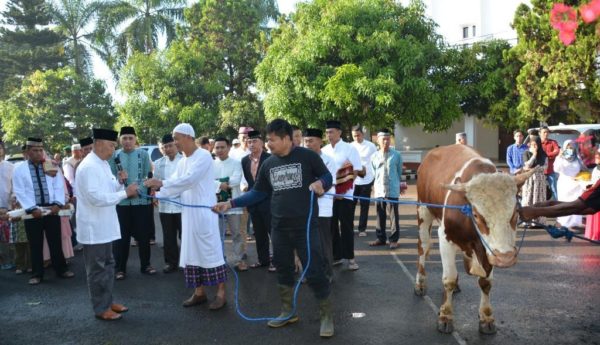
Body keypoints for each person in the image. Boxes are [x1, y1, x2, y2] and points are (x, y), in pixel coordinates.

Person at [213, 119, 334, 337]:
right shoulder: (269, 164)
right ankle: (288, 311)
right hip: (279, 227)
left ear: (287, 138)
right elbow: (257, 192)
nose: (268, 144)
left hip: (305, 227)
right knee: (283, 268)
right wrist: (230, 203)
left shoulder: (308, 157)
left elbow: (327, 176)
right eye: (267, 140)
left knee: (314, 269)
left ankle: (326, 316)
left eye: (272, 140)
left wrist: (321, 184)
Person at [144, 123, 228, 311]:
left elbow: (189, 180)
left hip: (205, 212)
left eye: (177, 138)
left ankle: (221, 293)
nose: (175, 142)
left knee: (210, 251)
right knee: (191, 251)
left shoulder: (204, 156)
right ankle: (199, 292)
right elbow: (175, 183)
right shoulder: (183, 161)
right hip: (189, 214)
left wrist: (161, 183)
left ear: (189, 137)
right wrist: (157, 193)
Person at [76, 128, 138, 321]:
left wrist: (120, 184)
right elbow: (95, 198)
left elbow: (110, 189)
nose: (113, 150)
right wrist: (125, 193)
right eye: (112, 145)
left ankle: (108, 301)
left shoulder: (102, 164)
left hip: (105, 226)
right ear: (99, 143)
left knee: (109, 265)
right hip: (94, 228)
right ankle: (100, 308)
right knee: (97, 270)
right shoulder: (88, 167)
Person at [12, 137, 75, 285]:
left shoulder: (51, 165)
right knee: (35, 243)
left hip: (51, 208)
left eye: (41, 150)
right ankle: (37, 274)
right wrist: (32, 209)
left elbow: (59, 186)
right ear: (27, 152)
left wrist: (58, 204)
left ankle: (61, 269)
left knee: (55, 241)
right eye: (35, 150)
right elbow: (20, 191)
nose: (39, 153)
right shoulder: (19, 169)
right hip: (32, 211)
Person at [109, 127, 155, 279]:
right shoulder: (114, 156)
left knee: (143, 235)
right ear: (120, 140)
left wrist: (136, 190)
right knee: (121, 237)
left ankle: (146, 265)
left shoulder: (142, 154)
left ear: (135, 139)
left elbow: (147, 176)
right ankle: (120, 269)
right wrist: (122, 187)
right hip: (121, 203)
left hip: (140, 201)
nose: (127, 141)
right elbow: (110, 178)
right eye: (124, 138)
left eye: (130, 138)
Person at [322, 120, 362, 271]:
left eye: (331, 132)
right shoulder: (324, 150)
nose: (328, 135)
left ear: (339, 132)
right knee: (331, 226)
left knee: (346, 226)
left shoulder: (349, 149)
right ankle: (336, 256)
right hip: (328, 196)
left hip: (345, 195)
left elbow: (356, 170)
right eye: (327, 133)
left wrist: (342, 191)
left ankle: (351, 258)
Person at [303, 128, 336, 280]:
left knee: (323, 242)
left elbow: (328, 181)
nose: (307, 144)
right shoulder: (301, 159)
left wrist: (318, 186)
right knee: (307, 242)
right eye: (305, 141)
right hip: (305, 207)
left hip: (322, 207)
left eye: (311, 141)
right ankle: (309, 272)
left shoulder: (329, 159)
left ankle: (327, 273)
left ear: (320, 142)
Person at [213, 137, 247, 271]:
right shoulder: (211, 164)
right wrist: (220, 184)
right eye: (217, 147)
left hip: (233, 204)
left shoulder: (236, 163)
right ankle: (220, 260)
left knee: (237, 233)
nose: (220, 150)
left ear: (228, 148)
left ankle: (239, 260)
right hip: (216, 205)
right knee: (217, 234)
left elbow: (236, 180)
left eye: (222, 147)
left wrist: (218, 183)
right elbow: (208, 181)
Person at [241, 130, 274, 271]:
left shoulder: (270, 158)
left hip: (269, 201)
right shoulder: (244, 160)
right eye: (249, 141)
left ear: (262, 143)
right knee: (259, 234)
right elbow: (248, 181)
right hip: (253, 202)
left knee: (274, 233)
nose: (251, 144)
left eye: (254, 141)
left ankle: (278, 261)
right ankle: (263, 260)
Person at [369, 129, 404, 249]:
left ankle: (394, 240)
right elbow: (374, 173)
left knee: (394, 216)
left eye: (388, 138)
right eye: (383, 139)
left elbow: (399, 172)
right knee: (380, 215)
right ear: (377, 140)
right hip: (379, 190)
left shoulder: (397, 155)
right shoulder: (374, 156)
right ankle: (380, 238)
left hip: (393, 190)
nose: (386, 141)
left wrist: (396, 184)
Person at [153, 134, 183, 273]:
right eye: (165, 147)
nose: (168, 149)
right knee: (168, 235)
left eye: (170, 145)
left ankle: (187, 262)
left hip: (182, 205)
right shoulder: (158, 163)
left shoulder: (184, 160)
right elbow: (156, 184)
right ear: (162, 149)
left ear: (176, 145)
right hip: (165, 206)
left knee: (185, 235)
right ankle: (171, 263)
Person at [554, 140, 587, 230]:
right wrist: (560, 156)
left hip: (576, 184)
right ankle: (564, 223)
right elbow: (556, 169)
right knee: (565, 203)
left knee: (575, 203)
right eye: (568, 147)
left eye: (571, 147)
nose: (570, 149)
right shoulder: (561, 158)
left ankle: (574, 223)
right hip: (564, 184)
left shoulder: (577, 157)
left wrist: (580, 176)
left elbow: (583, 168)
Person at [351, 125, 377, 237]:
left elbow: (375, 161)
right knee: (350, 206)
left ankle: (362, 229)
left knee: (364, 205)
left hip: (367, 180)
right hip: (353, 181)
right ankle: (349, 228)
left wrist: (375, 178)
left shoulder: (371, 146)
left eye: (358, 135)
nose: (356, 137)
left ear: (362, 134)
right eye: (354, 136)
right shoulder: (350, 146)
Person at [521, 137, 548, 227]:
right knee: (528, 198)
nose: (534, 147)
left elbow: (545, 167)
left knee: (539, 200)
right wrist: (534, 155)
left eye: (536, 145)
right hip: (529, 180)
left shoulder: (543, 154)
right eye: (532, 145)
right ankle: (527, 220)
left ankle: (539, 221)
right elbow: (527, 164)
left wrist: (533, 169)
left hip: (539, 180)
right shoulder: (526, 153)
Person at [0, 141, 15, 270]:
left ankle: (12, 260)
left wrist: (13, 199)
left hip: (8, 207)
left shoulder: (10, 167)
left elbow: (15, 187)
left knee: (9, 236)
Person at [539, 126, 560, 200]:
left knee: (554, 190)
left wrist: (546, 155)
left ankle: (555, 206)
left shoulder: (553, 142)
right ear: (540, 133)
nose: (546, 134)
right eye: (544, 132)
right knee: (539, 191)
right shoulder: (537, 143)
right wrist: (551, 155)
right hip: (540, 172)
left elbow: (557, 151)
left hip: (550, 170)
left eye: (547, 132)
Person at [585, 150, 600, 241]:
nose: (596, 157)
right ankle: (594, 234)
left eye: (598, 156)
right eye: (596, 156)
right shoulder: (596, 168)